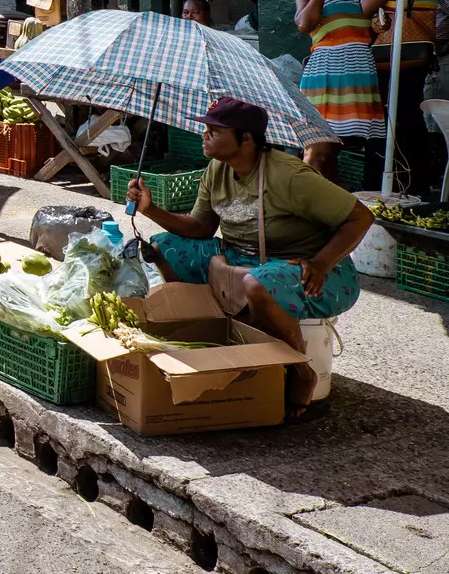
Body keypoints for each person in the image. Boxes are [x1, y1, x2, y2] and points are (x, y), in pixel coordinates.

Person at [128, 97, 372, 419]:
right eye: (205, 129)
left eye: (214, 130)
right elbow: (201, 228)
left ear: (245, 139)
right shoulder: (216, 170)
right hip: (240, 260)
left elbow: (361, 218)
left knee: (258, 284)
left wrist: (322, 263)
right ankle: (211, 331)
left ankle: (300, 371)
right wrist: (151, 210)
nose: (204, 135)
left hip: (310, 270)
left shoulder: (289, 175)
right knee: (164, 247)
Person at [295, 0, 385, 180]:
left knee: (337, 147)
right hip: (328, 77)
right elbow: (305, 24)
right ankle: (310, 205)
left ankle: (331, 206)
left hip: (357, 78)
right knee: (319, 148)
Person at [363, 0, 440, 166]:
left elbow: (360, 11)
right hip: (419, 57)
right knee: (411, 117)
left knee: (386, 120)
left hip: (391, 59)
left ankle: (387, 175)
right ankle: (417, 177)